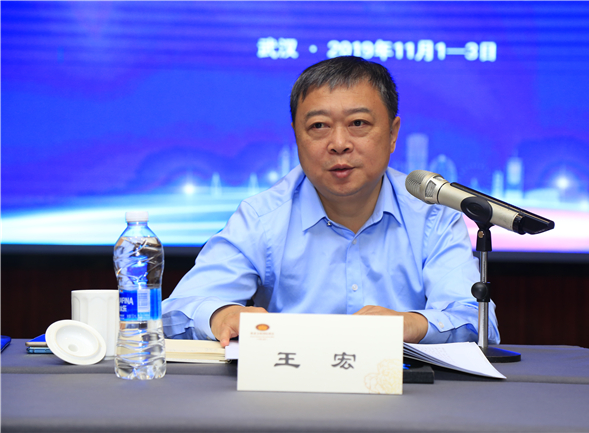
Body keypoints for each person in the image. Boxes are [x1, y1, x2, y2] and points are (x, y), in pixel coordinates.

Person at [162, 56, 500, 347]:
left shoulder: (432, 215)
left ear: (393, 133)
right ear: (297, 136)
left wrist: (412, 324)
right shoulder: (262, 217)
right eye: (319, 126)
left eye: (358, 123)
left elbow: (478, 321)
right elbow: (176, 311)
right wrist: (221, 315)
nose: (339, 143)